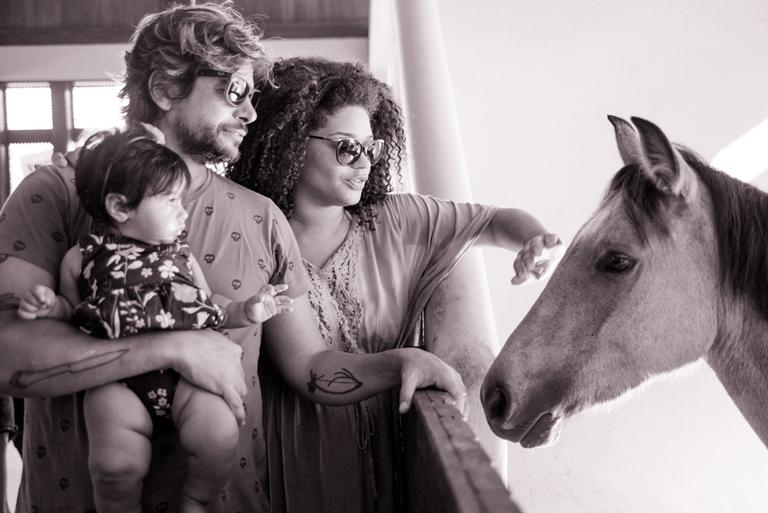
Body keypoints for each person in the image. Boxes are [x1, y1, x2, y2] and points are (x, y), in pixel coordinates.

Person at [0, 5, 465, 513]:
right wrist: (173, 350)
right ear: (163, 89)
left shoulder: (261, 217)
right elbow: (8, 350)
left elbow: (309, 366)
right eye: (233, 93)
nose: (250, 114)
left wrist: (403, 362)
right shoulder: (59, 191)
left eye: (252, 97)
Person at [226, 56, 562, 513]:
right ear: (290, 144)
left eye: (372, 148)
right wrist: (405, 360)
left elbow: (494, 221)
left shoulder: (399, 219)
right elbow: (307, 368)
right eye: (347, 148)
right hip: (297, 454)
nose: (364, 163)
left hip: (392, 451)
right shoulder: (258, 233)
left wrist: (533, 240)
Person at [16, 127, 294, 513]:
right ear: (119, 208)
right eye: (170, 201)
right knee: (115, 464)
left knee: (218, 434)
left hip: (187, 381)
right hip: (114, 382)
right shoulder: (82, 258)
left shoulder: (180, 255)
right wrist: (49, 307)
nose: (183, 212)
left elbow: (208, 303)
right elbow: (73, 312)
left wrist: (246, 310)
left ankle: (195, 501)